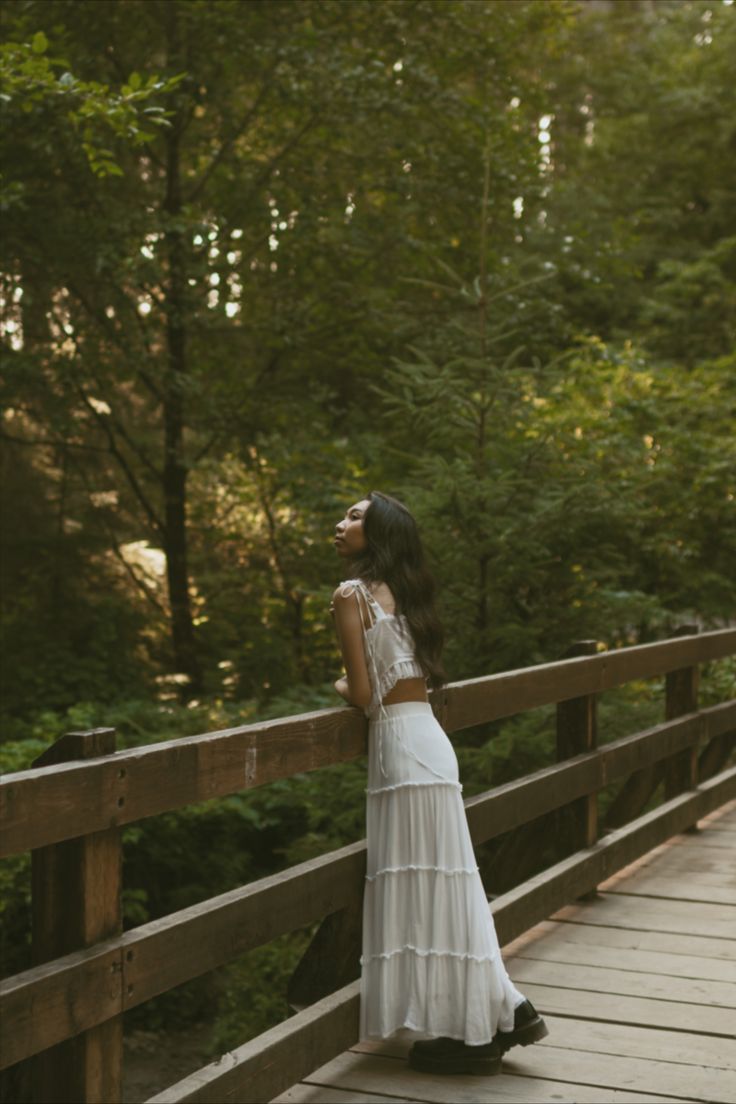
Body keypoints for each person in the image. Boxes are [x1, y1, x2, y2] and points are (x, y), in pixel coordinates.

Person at [331, 491, 548, 1076]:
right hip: (432, 744)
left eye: (354, 516)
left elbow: (362, 693)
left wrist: (338, 688)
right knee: (452, 885)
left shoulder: (350, 596)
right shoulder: (411, 598)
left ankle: (474, 1032)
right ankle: (504, 1007)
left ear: (378, 535)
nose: (340, 523)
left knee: (432, 887)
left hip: (400, 753)